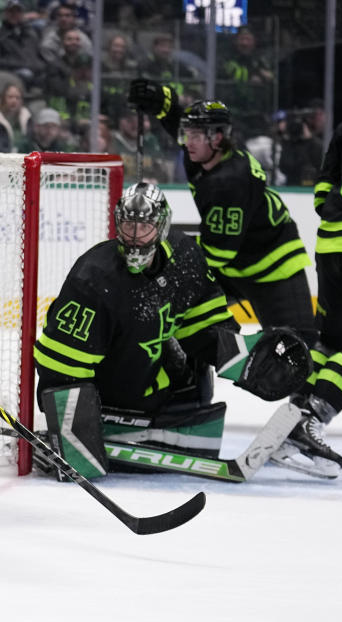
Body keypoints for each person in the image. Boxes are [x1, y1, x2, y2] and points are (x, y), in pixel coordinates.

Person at [31, 183, 312, 480]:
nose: (136, 237)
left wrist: (246, 360)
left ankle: (153, 428)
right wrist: (73, 435)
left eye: (145, 227)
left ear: (162, 225)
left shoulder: (184, 258)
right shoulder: (95, 279)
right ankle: (120, 430)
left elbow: (204, 326)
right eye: (128, 226)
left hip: (150, 382)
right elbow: (58, 369)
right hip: (107, 396)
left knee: (195, 374)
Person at [129, 82, 316, 339]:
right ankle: (191, 372)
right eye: (187, 133)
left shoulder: (230, 182)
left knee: (298, 345)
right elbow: (181, 125)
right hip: (232, 262)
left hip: (272, 263)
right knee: (175, 319)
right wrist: (164, 102)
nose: (187, 141)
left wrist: (166, 256)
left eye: (194, 135)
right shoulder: (208, 155)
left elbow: (217, 254)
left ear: (217, 138)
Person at [268, 115, 342, 478]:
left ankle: (293, 417)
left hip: (332, 241)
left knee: (332, 341)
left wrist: (329, 209)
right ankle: (312, 420)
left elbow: (325, 177)